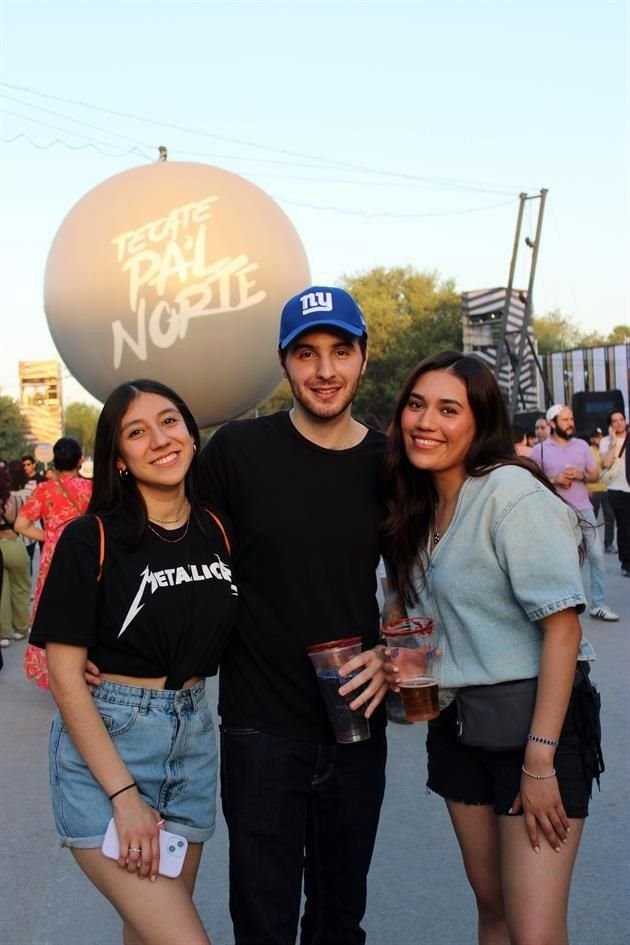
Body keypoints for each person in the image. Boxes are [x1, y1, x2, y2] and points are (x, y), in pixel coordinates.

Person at [382, 351, 603, 945]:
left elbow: (564, 630)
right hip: (457, 729)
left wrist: (539, 762)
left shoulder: (508, 493)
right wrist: (397, 659)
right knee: (495, 911)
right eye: (417, 404)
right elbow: (416, 626)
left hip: (535, 729)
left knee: (533, 930)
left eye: (448, 409)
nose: (426, 421)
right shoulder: (415, 510)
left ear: (480, 424)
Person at [198, 285, 389, 945]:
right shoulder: (237, 450)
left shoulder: (390, 462)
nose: (325, 369)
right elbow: (181, 552)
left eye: (341, 350)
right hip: (259, 728)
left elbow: (429, 583)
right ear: (284, 364)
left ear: (363, 357)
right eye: (305, 353)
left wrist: (393, 652)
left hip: (355, 724)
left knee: (339, 920)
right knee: (262, 922)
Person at [28, 379, 237, 945]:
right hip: (110, 749)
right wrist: (123, 797)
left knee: (148, 934)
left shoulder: (217, 529)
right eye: (137, 432)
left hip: (192, 743)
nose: (160, 440)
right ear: (118, 458)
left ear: (192, 433)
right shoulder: (90, 537)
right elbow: (66, 678)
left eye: (170, 422)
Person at [15, 437, 93, 687]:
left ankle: (58, 675)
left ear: (55, 462)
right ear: (80, 460)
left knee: (54, 613)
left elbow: (21, 525)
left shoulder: (44, 490)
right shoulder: (93, 488)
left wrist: (49, 537)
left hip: (54, 557)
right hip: (88, 555)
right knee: (89, 609)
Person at [530, 404, 619, 622]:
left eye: (571, 419)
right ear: (552, 424)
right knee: (566, 561)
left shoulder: (581, 445)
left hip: (585, 510)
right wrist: (554, 480)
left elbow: (595, 475)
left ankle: (598, 604)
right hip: (555, 512)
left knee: (597, 556)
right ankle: (567, 606)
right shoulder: (540, 450)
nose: (571, 424)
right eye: (565, 420)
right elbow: (531, 480)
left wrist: (581, 474)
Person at [0, 466, 31, 647]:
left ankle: (4, 633)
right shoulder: (17, 499)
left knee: (2, 592)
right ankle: (21, 627)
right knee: (21, 588)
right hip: (14, 544)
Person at [599, 409, 630, 577]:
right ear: (610, 425)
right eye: (614, 421)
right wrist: (612, 442)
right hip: (617, 489)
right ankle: (626, 563)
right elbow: (605, 462)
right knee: (624, 527)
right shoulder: (605, 441)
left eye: (621, 419)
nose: (619, 423)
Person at [586, 429, 616, 553]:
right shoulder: (587, 451)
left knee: (610, 517)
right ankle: (590, 545)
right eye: (596, 437)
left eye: (600, 436)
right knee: (591, 520)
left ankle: (608, 544)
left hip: (606, 489)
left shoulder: (605, 450)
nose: (599, 439)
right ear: (592, 439)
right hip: (593, 491)